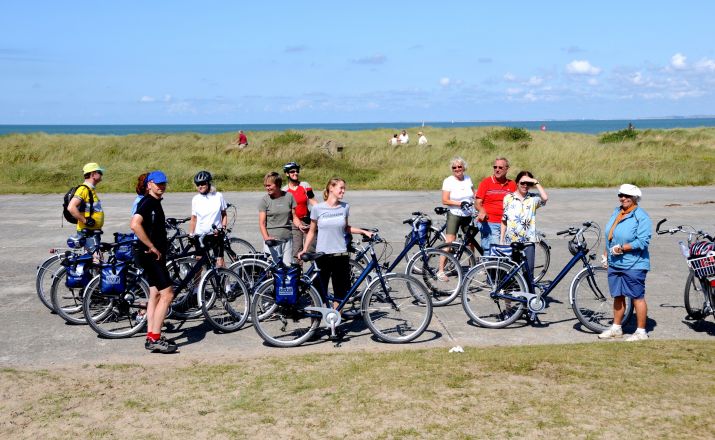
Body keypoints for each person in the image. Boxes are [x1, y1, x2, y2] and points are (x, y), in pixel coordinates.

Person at [298, 177, 372, 316]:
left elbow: (346, 228)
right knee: (319, 293)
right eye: (341, 188)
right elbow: (312, 231)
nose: (343, 191)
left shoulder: (345, 207)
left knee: (340, 292)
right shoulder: (317, 208)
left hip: (341, 255)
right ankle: (315, 325)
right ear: (331, 188)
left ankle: (334, 323)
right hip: (322, 256)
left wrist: (363, 231)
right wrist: (305, 249)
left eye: (344, 188)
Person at [130, 170, 177, 353]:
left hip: (150, 254)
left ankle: (151, 334)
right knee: (168, 295)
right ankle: (154, 338)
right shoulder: (148, 202)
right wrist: (151, 246)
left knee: (156, 295)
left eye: (163, 183)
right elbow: (134, 224)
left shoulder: (154, 202)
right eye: (157, 183)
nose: (161, 186)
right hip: (150, 256)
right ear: (149, 184)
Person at [598, 184, 652, 342]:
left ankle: (641, 332)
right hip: (616, 262)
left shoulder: (641, 216)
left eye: (627, 196)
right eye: (621, 195)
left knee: (637, 297)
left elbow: (642, 241)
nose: (623, 198)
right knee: (618, 296)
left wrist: (622, 248)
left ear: (635, 198)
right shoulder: (617, 212)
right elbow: (611, 235)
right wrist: (606, 254)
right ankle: (616, 328)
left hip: (634, 264)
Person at [500, 171, 548, 276]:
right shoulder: (508, 198)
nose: (525, 185)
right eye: (522, 182)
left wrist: (535, 181)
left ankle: (528, 292)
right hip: (511, 241)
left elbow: (545, 198)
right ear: (517, 183)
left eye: (528, 183)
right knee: (511, 273)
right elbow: (504, 220)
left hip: (528, 241)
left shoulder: (533, 199)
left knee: (528, 273)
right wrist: (501, 240)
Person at [439, 157, 474, 280]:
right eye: (454, 167)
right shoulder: (448, 181)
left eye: (459, 166)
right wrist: (460, 203)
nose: (457, 169)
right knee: (449, 241)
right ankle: (441, 270)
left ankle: (472, 266)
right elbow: (445, 200)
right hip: (454, 213)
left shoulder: (468, 179)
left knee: (470, 241)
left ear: (464, 167)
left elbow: (473, 195)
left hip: (467, 214)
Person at [258, 172, 302, 266]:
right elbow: (262, 223)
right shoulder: (265, 200)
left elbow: (294, 217)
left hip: (287, 239)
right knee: (275, 271)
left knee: (288, 267)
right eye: (265, 186)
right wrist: (266, 238)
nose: (267, 188)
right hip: (272, 240)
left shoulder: (289, 197)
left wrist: (300, 226)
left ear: (277, 184)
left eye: (269, 185)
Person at [475, 156, 516, 254]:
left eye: (500, 167)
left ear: (507, 169)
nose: (497, 170)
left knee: (506, 249)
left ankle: (492, 268)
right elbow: (477, 203)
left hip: (506, 223)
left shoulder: (512, 184)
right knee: (494, 248)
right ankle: (487, 268)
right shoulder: (486, 182)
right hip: (490, 221)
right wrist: (481, 210)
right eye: (495, 167)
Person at [188, 170, 228, 267]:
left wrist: (223, 228)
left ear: (208, 183)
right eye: (198, 184)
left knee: (219, 261)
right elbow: (193, 219)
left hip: (215, 233)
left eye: (202, 184)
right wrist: (191, 234)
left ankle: (222, 281)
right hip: (200, 235)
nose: (200, 186)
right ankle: (197, 283)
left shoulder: (218, 196)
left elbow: (224, 214)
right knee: (199, 262)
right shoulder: (196, 199)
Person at [282, 162, 317, 262]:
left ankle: (314, 275)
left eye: (297, 171)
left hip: (307, 220)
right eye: (292, 171)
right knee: (297, 253)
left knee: (311, 250)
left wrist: (322, 209)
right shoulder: (284, 190)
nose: (295, 173)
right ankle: (298, 275)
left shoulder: (305, 185)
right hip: (293, 223)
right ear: (287, 174)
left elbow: (312, 199)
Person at [67, 162, 105, 232]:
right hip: (86, 233)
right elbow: (71, 207)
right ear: (93, 174)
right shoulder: (83, 189)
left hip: (93, 231)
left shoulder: (90, 189)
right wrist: (85, 221)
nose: (102, 174)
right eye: (100, 172)